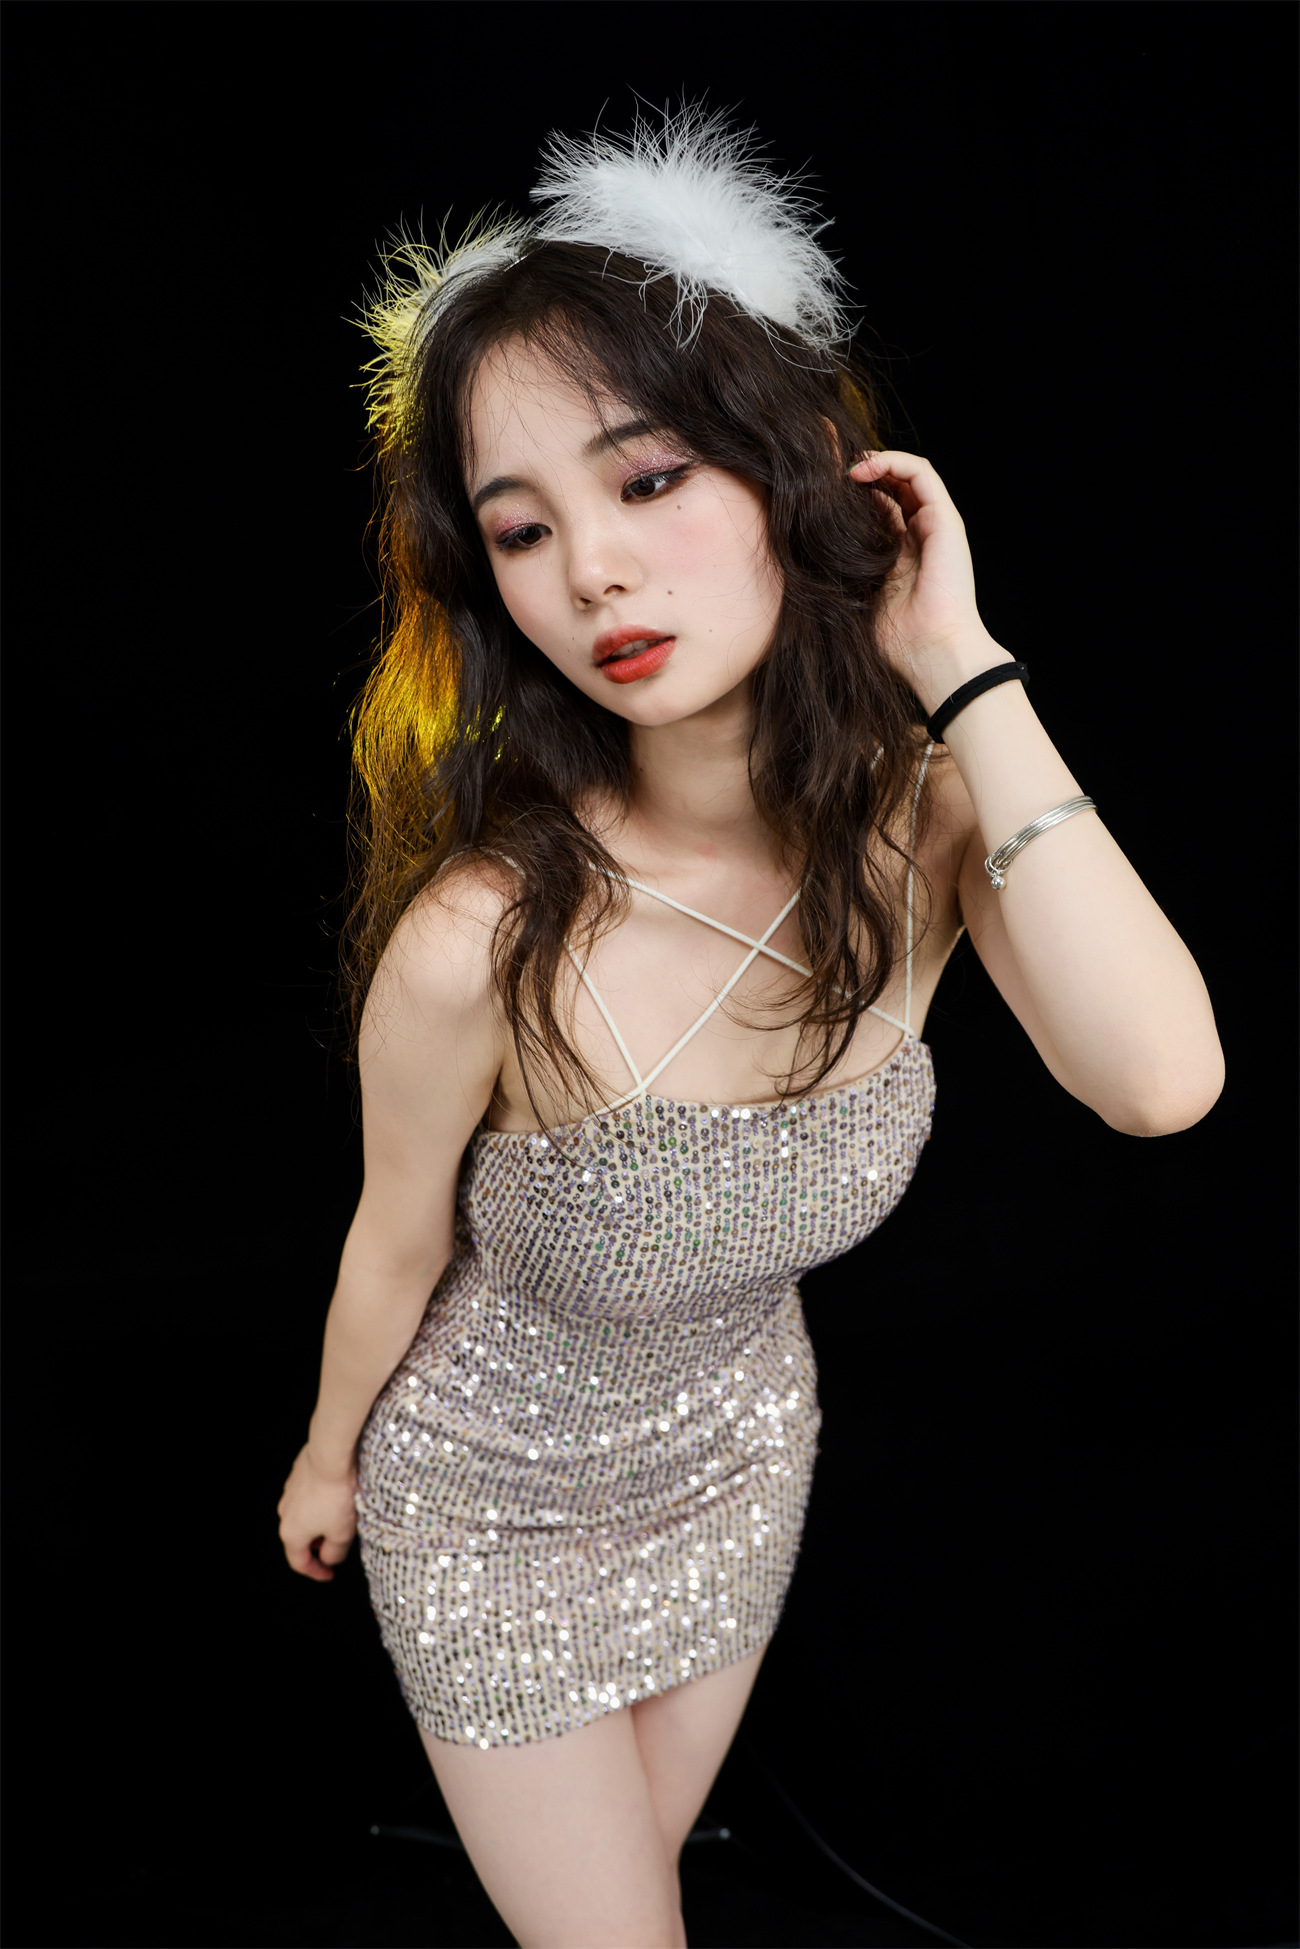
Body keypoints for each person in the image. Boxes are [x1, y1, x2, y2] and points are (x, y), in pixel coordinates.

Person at [276, 106, 1224, 1949]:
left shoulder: (928, 826)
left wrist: (959, 668)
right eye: (523, 530)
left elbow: (1164, 1081)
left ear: (796, 475)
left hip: (737, 1454)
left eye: (648, 482)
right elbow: (394, 1238)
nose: (592, 574)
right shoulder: (482, 936)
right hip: (491, 1506)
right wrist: (327, 1462)